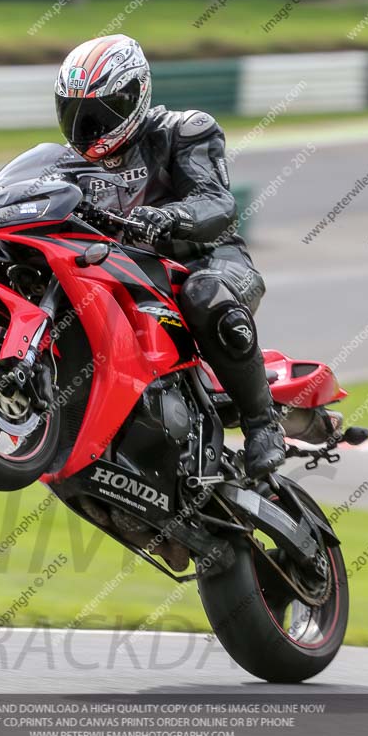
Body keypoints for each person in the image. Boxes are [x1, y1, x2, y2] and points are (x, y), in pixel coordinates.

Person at [54, 34, 285, 478]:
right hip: (133, 279)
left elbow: (219, 204)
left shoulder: (183, 130)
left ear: (135, 95)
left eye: (100, 114)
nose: (89, 129)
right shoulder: (66, 168)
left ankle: (262, 422)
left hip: (209, 262)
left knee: (204, 294)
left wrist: (171, 217)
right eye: (76, 115)